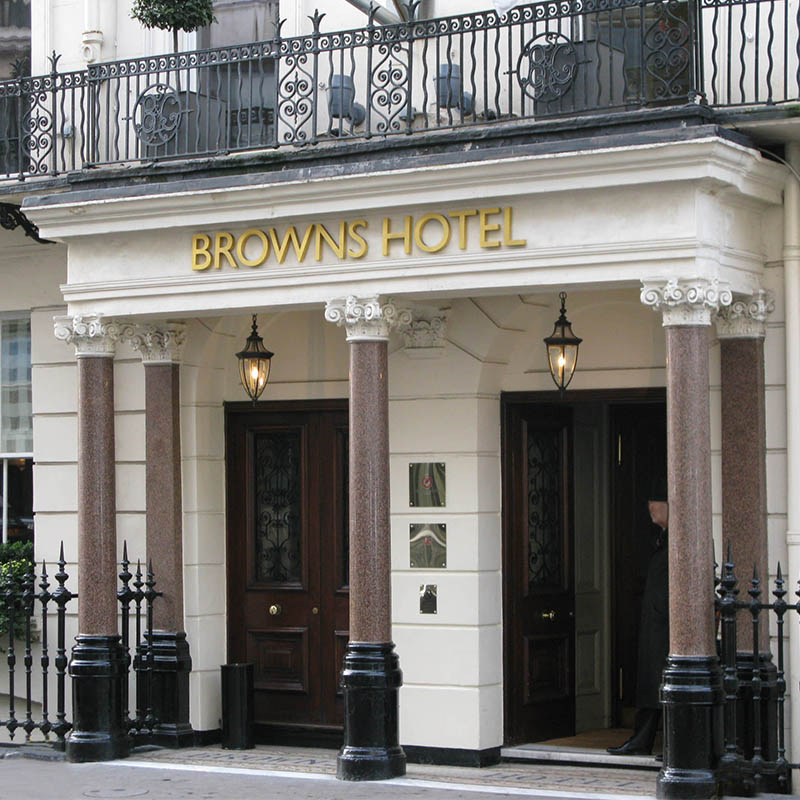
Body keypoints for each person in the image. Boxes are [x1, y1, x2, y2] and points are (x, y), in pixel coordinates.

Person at [608, 478, 669, 756]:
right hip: (654, 623)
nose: (650, 507)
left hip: (668, 624)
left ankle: (670, 745)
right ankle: (641, 740)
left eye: (654, 501)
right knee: (649, 683)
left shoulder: (678, 539)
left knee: (667, 683)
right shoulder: (659, 539)